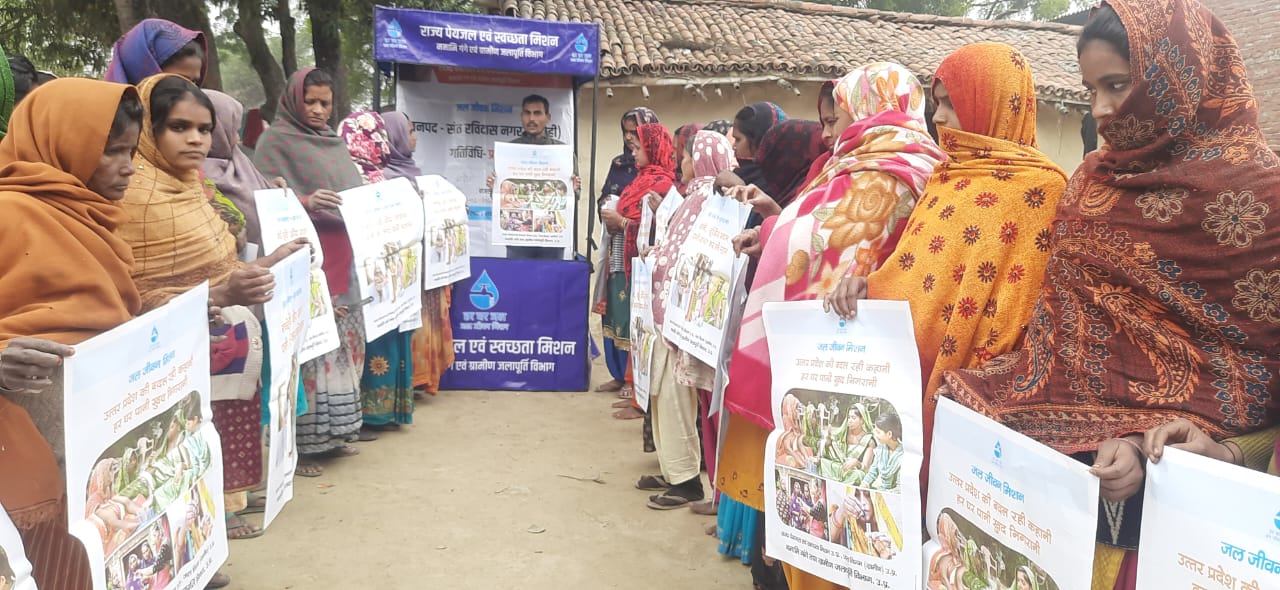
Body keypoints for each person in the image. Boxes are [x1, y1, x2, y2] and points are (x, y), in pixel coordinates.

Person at [939, 2, 1280, 588]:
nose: (1099, 110)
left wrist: (1223, 450)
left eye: (1117, 86)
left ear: (1177, 78)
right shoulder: (1089, 185)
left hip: (1194, 538)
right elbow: (1057, 345)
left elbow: (1261, 378)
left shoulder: (1264, 206)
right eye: (1090, 90)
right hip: (1059, 501)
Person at [719, 62, 945, 590]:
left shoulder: (893, 173)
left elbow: (824, 243)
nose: (828, 132)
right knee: (802, 507)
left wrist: (779, 234)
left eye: (836, 117)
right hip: (831, 355)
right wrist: (772, 229)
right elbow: (811, 232)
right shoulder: (860, 166)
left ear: (870, 111)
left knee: (835, 514)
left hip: (855, 367)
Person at [826, 42, 1069, 496]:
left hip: (978, 396)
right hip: (907, 372)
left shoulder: (1042, 190)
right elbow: (914, 268)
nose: (937, 118)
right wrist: (866, 286)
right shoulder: (945, 178)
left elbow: (1027, 306)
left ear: (993, 104)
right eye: (936, 103)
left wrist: (976, 378)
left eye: (951, 104)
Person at [0, 77, 143, 590]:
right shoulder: (9, 212)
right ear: (62, 142)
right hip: (31, 421)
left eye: (132, 152)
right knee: (52, 558)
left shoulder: (92, 214)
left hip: (94, 424)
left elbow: (113, 310)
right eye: (111, 151)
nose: (128, 167)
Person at [253, 67, 368, 476]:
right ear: (293, 100)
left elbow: (355, 195)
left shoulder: (334, 143)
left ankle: (337, 432)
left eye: (325, 103)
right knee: (308, 345)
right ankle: (302, 445)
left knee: (341, 342)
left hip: (343, 252)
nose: (318, 110)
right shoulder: (274, 143)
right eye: (311, 102)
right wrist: (305, 200)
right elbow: (263, 199)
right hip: (304, 256)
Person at [338, 110, 416, 431]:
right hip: (363, 279)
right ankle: (370, 415)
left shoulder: (383, 177)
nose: (380, 142)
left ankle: (390, 410)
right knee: (372, 342)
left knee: (391, 337)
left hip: (391, 276)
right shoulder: (346, 177)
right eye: (374, 136)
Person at [599, 122, 676, 423]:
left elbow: (661, 228)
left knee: (643, 331)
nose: (633, 151)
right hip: (626, 260)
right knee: (633, 328)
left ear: (653, 149)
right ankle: (632, 388)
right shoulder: (641, 178)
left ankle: (639, 397)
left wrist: (621, 222)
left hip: (647, 268)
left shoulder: (663, 184)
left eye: (640, 146)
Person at [381, 110, 456, 396]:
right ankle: (407, 383)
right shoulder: (381, 178)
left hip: (426, 268)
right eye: (410, 131)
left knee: (424, 323)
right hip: (403, 270)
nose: (415, 137)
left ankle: (422, 380)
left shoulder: (413, 172)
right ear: (395, 136)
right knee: (407, 326)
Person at [593, 107, 660, 401]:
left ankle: (634, 378)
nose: (630, 138)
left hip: (640, 254)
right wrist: (606, 206)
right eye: (626, 132)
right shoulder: (619, 164)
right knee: (614, 311)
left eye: (636, 132)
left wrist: (623, 220)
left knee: (633, 313)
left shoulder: (659, 171)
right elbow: (604, 195)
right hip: (617, 249)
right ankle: (618, 373)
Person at [493, 93, 577, 259]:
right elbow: (499, 197)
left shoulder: (562, 153)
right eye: (527, 113)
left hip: (551, 239)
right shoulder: (508, 151)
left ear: (548, 117)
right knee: (518, 276)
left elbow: (575, 196)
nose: (532, 118)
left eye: (537, 113)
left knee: (550, 276)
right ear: (522, 116)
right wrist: (494, 185)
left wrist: (573, 189)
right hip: (518, 240)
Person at [105, 18, 207, 85]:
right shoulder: (102, 110)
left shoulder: (200, 109)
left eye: (194, 82)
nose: (192, 92)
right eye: (181, 81)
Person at [730, 102, 787, 188]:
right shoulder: (734, 177)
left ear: (760, 141)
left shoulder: (786, 183)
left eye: (738, 139)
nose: (733, 147)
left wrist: (741, 187)